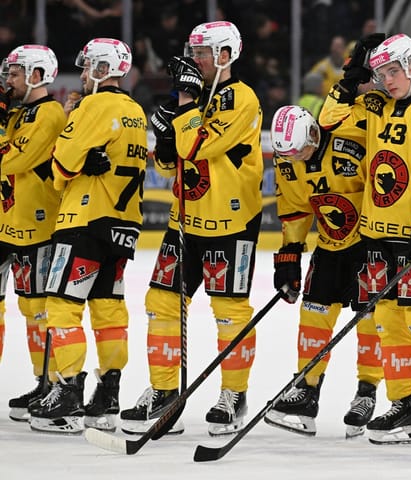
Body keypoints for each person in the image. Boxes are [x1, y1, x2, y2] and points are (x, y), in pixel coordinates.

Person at [120, 21, 264, 437]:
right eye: (193, 50)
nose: (194, 59)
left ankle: (234, 395)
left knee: (229, 313)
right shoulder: (198, 97)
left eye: (202, 52)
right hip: (186, 220)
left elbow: (196, 146)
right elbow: (173, 162)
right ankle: (165, 391)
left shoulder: (241, 98)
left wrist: (183, 104)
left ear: (225, 55)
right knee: (161, 302)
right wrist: (164, 139)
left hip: (231, 223)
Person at [319, 33, 411, 445]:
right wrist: (348, 82)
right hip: (376, 232)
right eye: (380, 73)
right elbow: (328, 119)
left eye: (393, 71)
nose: (387, 80)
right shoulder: (374, 105)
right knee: (388, 324)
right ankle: (402, 404)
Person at [28, 37, 147, 434]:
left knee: (62, 307)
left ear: (102, 68)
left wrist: (72, 124)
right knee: (108, 311)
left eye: (87, 66)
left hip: (83, 221)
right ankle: (108, 396)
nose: (81, 74)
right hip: (123, 225)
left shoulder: (92, 106)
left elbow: (61, 170)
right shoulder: (135, 111)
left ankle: (68, 395)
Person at [264, 105, 383, 438]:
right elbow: (294, 207)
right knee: (313, 314)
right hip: (330, 245)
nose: (298, 158)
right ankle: (306, 392)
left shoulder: (351, 146)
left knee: (370, 319)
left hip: (368, 244)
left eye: (302, 149)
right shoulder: (288, 158)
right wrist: (290, 253)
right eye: (291, 154)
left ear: (315, 133)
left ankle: (367, 392)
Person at [0, 45, 65, 422]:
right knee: (24, 310)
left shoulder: (50, 113)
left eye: (15, 74)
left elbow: (15, 160)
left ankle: (55, 383)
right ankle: (42, 382)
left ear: (37, 76)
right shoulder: (16, 113)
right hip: (7, 222)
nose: (8, 81)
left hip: (38, 225)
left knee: (37, 310)